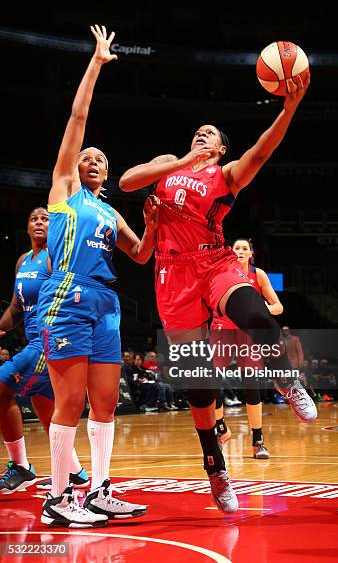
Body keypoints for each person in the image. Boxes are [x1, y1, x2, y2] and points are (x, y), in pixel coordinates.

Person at [119, 69, 316, 513]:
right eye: (198, 132)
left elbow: (262, 153)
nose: (201, 136)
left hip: (214, 262)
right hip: (172, 274)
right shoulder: (171, 164)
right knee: (199, 386)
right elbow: (128, 181)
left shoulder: (224, 176)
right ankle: (216, 467)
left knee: (257, 316)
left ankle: (286, 380)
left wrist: (289, 109)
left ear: (222, 149)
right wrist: (183, 160)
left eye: (210, 135)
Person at [36, 25, 158, 528]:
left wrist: (154, 219)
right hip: (66, 294)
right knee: (70, 399)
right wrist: (97, 63)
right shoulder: (65, 191)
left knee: (105, 400)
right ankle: (59, 498)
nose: (91, 160)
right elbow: (78, 116)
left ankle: (101, 490)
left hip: (106, 304)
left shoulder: (110, 214)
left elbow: (142, 255)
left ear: (106, 174)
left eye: (99, 159)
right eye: (87, 156)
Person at [0, 208, 88, 494]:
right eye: (34, 218)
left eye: (45, 218)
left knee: (2, 391)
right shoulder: (24, 261)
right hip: (35, 342)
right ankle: (75, 472)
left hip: (49, 342)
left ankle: (21, 467)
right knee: (50, 415)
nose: (39, 222)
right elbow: (16, 308)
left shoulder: (56, 257)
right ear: (27, 227)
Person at [211, 238, 283, 459]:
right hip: (222, 328)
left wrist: (260, 309)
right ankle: (220, 428)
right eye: (236, 248)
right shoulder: (221, 272)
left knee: (251, 384)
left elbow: (279, 307)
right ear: (230, 252)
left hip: (247, 331)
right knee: (210, 379)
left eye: (244, 249)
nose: (240, 251)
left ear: (251, 253)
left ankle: (257, 440)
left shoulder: (258, 275)